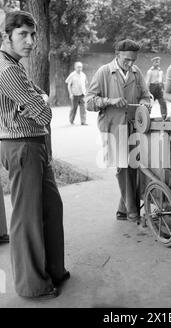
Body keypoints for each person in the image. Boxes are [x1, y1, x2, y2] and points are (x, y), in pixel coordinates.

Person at [0, 10, 69, 299]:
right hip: (23, 146)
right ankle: (32, 286)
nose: (30, 41)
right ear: (6, 37)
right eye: (22, 35)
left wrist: (38, 99)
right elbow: (43, 112)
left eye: (32, 35)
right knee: (27, 218)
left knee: (52, 208)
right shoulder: (7, 69)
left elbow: (38, 98)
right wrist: (40, 101)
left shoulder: (15, 65)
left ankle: (54, 270)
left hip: (33, 144)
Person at [86, 39, 151, 222]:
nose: (130, 64)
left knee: (135, 166)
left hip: (134, 126)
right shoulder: (103, 72)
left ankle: (122, 211)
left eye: (133, 60)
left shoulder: (136, 73)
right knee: (123, 167)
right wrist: (109, 101)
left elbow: (147, 96)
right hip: (113, 127)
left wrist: (146, 104)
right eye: (126, 60)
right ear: (117, 56)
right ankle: (132, 211)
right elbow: (89, 102)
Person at [65, 61, 88, 125]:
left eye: (81, 67)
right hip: (74, 95)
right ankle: (71, 120)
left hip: (82, 94)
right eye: (78, 67)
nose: (80, 68)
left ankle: (83, 121)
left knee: (83, 109)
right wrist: (70, 94)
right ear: (75, 67)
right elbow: (69, 85)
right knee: (74, 109)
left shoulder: (83, 75)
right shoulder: (72, 75)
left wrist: (86, 92)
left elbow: (85, 83)